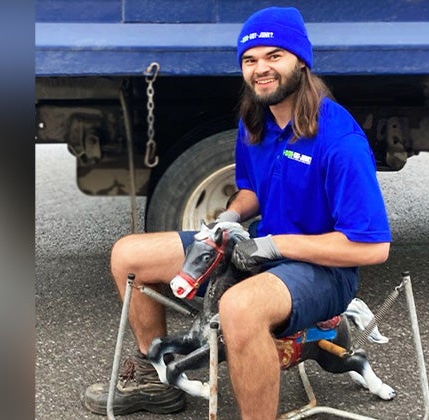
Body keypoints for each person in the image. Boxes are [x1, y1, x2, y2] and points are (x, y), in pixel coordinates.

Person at [83, 6, 392, 418]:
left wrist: (275, 244)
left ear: (301, 61)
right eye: (250, 60)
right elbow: (252, 190)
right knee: (129, 255)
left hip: (325, 271)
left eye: (274, 56)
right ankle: (154, 381)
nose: (260, 69)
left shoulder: (340, 141)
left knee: (239, 307)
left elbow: (372, 249)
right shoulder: (256, 122)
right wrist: (229, 219)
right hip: (265, 247)